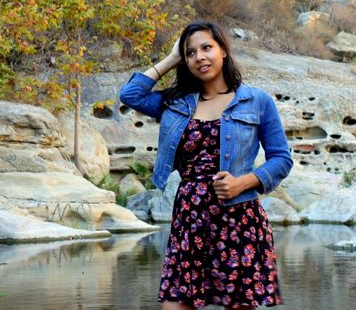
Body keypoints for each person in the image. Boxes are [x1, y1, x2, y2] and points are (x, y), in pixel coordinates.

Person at [119, 21, 293, 310]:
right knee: (175, 303)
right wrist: (171, 57)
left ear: (223, 50)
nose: (199, 56)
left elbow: (282, 159)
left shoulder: (257, 101)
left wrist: (244, 181)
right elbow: (130, 95)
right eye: (190, 52)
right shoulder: (175, 104)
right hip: (189, 218)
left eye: (207, 47)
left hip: (238, 218)